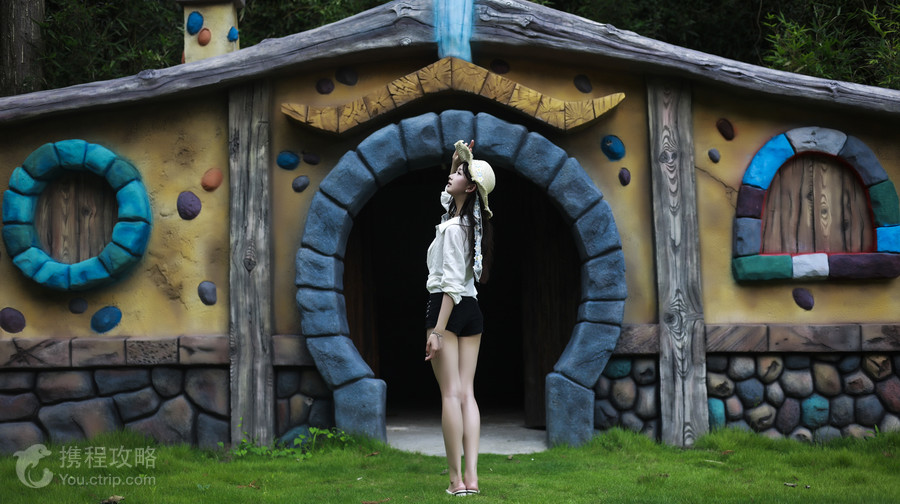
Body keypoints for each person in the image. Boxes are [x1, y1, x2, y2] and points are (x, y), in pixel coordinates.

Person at [424, 139, 495, 497]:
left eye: (459, 174)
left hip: (447, 306)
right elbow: (448, 198)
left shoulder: (452, 229)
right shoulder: (471, 223)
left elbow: (450, 286)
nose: (451, 176)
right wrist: (457, 162)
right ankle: (473, 478)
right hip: (471, 309)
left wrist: (437, 331)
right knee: (467, 393)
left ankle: (456, 482)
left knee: (451, 395)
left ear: (470, 188)